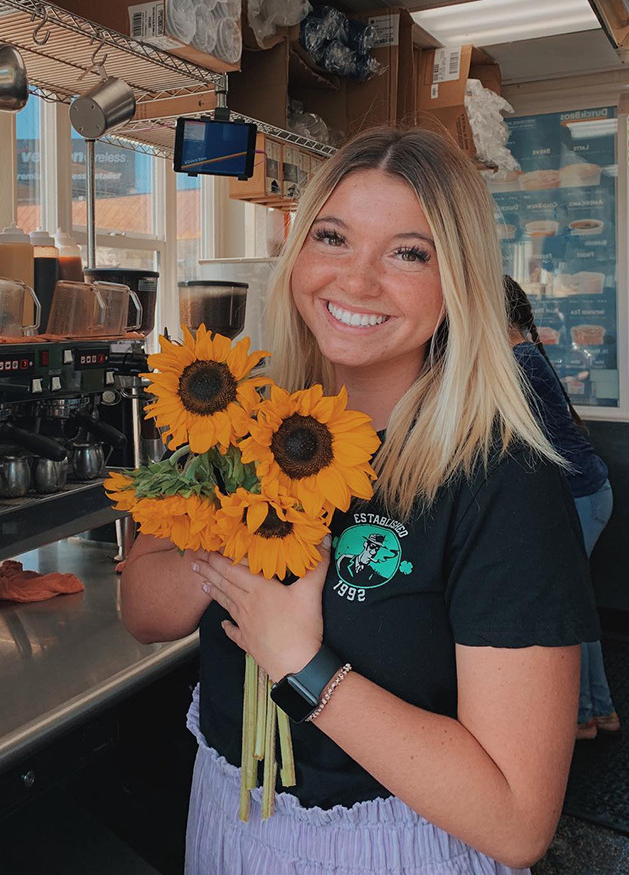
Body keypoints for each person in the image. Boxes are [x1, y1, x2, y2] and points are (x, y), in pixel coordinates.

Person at [121, 127, 601, 875]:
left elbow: (515, 820)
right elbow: (144, 613)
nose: (357, 279)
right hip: (225, 821)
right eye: (333, 237)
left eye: (409, 252)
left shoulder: (503, 484)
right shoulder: (240, 424)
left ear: (460, 283)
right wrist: (232, 530)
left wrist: (300, 661)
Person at [505, 275, 620, 742]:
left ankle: (585, 715)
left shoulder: (518, 362)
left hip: (581, 498)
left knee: (569, 610)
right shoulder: (524, 356)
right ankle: (597, 713)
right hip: (586, 493)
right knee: (578, 606)